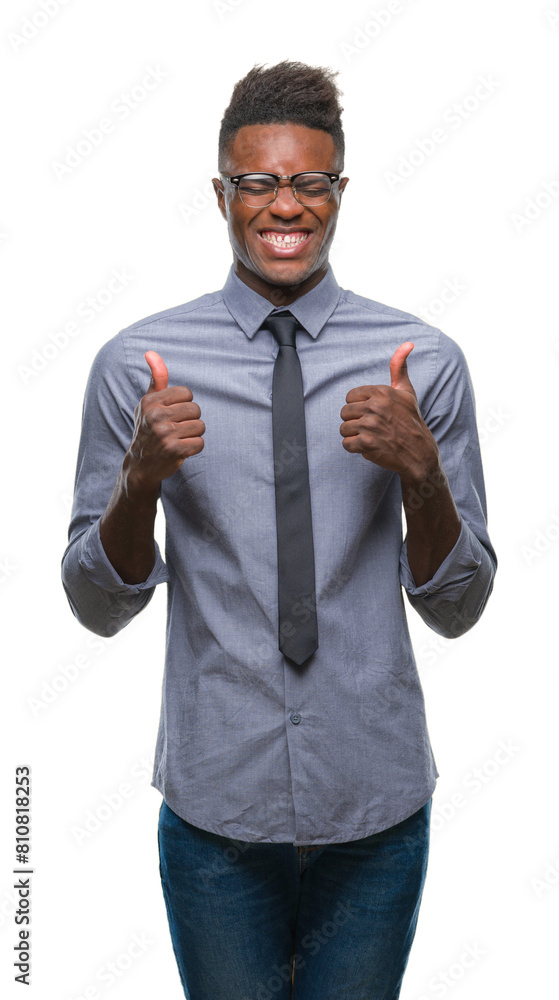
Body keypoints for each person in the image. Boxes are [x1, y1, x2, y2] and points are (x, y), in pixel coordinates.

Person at [62, 60, 497, 1000]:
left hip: (373, 808)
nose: (283, 205)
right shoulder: (137, 367)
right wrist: (139, 482)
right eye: (258, 182)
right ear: (222, 193)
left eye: (308, 182)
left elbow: (458, 607)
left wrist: (421, 476)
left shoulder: (423, 364)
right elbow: (96, 605)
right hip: (219, 809)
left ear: (339, 192)